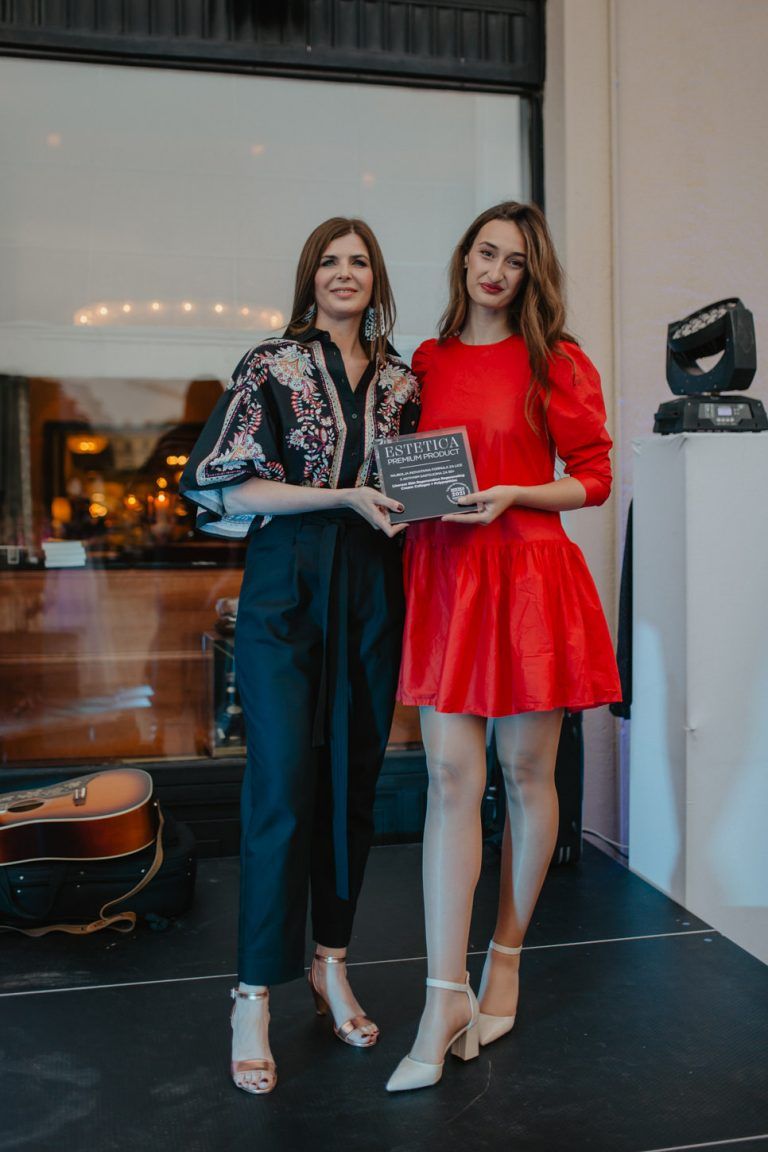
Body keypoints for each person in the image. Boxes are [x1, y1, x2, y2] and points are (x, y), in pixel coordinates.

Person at [180, 218, 420, 1096]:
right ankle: (251, 996)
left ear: (376, 277)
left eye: (359, 262)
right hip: (286, 587)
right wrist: (341, 495)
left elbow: (414, 485)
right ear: (309, 277)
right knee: (281, 785)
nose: (344, 273)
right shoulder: (272, 366)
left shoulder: (404, 382)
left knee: (353, 783)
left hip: (372, 590)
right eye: (330, 261)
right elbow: (227, 483)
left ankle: (331, 964)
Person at [386, 201, 621, 1092]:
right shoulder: (427, 361)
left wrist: (517, 491)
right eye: (485, 253)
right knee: (450, 779)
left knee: (526, 776)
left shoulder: (557, 360)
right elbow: (412, 467)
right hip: (448, 578)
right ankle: (444, 995)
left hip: (526, 578)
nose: (494, 271)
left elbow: (594, 478)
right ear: (464, 259)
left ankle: (508, 957)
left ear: (531, 275)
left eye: (513, 261)